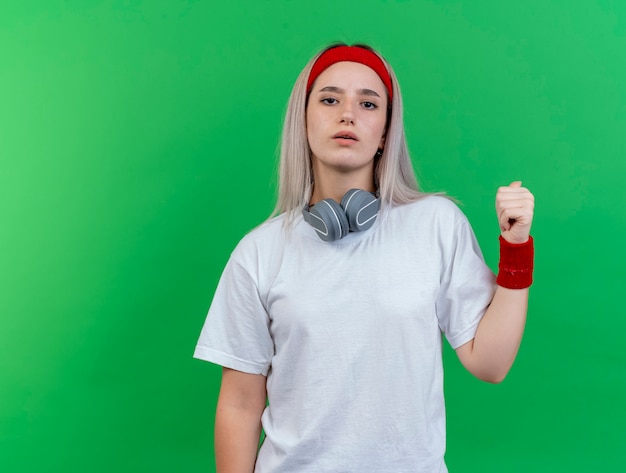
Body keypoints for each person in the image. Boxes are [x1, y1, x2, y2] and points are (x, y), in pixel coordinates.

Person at [194, 43, 535, 473]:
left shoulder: (435, 224)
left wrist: (516, 247)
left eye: (368, 103)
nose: (348, 114)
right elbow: (241, 404)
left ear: (386, 132)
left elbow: (491, 362)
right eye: (330, 99)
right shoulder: (259, 252)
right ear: (303, 121)